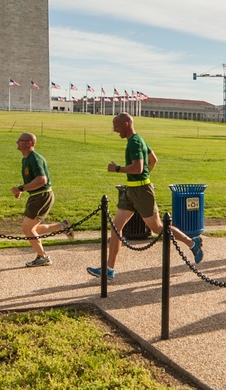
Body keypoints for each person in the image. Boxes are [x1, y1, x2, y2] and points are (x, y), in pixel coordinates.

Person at [87, 113, 202, 282]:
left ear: (126, 124)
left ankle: (192, 243)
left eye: (116, 126)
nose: (114, 129)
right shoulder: (138, 140)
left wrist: (117, 169)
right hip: (131, 191)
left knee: (157, 228)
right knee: (115, 228)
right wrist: (145, 177)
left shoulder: (134, 142)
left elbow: (138, 168)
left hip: (141, 192)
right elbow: (153, 159)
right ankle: (109, 269)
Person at [13, 132, 72, 266]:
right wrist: (22, 189)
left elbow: (41, 180)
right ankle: (63, 226)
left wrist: (21, 188)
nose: (17, 142)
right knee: (34, 229)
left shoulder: (35, 159)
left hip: (42, 196)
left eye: (20, 140)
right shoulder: (26, 158)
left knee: (28, 229)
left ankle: (43, 257)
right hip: (37, 196)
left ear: (29, 143)